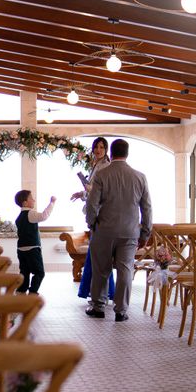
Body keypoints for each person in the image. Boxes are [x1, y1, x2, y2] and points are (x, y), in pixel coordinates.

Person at [85, 138, 152, 322]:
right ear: (127, 154)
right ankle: (121, 311)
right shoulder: (140, 177)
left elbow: (92, 204)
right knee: (125, 270)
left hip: (104, 230)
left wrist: (92, 224)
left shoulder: (102, 175)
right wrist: (145, 232)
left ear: (111, 153)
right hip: (130, 231)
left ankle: (98, 306)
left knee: (101, 269)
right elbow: (146, 208)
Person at [70, 137, 115, 302]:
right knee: (95, 255)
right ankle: (96, 292)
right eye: (96, 147)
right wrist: (81, 193)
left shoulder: (106, 166)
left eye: (102, 147)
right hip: (93, 212)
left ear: (106, 150)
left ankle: (104, 292)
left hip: (101, 214)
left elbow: (102, 192)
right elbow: (92, 191)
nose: (98, 150)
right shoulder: (95, 165)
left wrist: (89, 189)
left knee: (98, 255)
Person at [14, 190, 57, 295]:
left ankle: (21, 289)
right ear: (25, 203)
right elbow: (44, 216)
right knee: (39, 272)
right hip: (32, 249)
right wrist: (52, 203)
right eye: (31, 198)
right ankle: (33, 291)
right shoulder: (30, 213)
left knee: (24, 271)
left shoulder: (19, 217)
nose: (34, 200)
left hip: (21, 249)